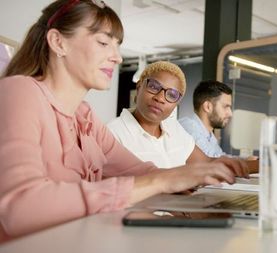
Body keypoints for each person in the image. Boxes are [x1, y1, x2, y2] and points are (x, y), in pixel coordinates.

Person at [0, 0, 247, 242]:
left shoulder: (84, 117)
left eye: (117, 45)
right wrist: (163, 181)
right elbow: (19, 207)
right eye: (103, 42)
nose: (117, 57)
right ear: (58, 42)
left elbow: (139, 172)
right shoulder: (19, 92)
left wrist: (196, 198)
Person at [107, 61, 246, 169]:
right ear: (138, 88)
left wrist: (261, 166)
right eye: (154, 87)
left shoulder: (174, 128)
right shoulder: (112, 134)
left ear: (176, 104)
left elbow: (207, 163)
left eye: (171, 95)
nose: (160, 98)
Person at [179, 80, 233, 158]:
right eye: (225, 107)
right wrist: (245, 162)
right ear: (208, 107)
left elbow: (220, 156)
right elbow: (210, 160)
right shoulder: (188, 126)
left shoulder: (210, 136)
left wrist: (248, 160)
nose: (230, 113)